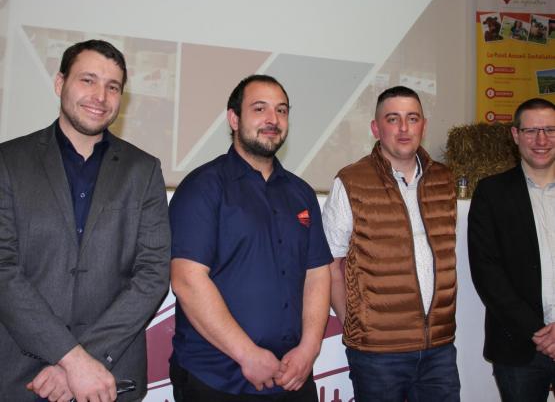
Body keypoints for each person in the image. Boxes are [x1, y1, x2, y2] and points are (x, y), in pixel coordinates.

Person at [0, 39, 170, 402]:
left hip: (110, 374)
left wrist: (84, 360)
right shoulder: (8, 162)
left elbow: (153, 274)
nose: (100, 96)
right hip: (22, 375)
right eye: (88, 80)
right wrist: (71, 358)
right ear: (60, 83)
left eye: (113, 87)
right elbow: (3, 269)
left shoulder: (144, 171)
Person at [169, 74, 332, 401]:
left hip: (292, 378)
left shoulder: (301, 193)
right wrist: (247, 354)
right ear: (234, 118)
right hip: (217, 379)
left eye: (282, 111)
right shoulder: (203, 187)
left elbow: (317, 274)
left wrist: (309, 349)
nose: (273, 120)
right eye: (260, 109)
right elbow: (187, 280)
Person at [322, 85, 460, 402]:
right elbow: (329, 264)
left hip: (439, 350)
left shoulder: (444, 180)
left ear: (423, 125)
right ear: (376, 127)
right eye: (393, 119)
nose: (403, 128)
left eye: (412, 118)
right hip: (378, 355)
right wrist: (352, 326)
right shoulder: (351, 181)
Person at [468, 98, 555, 401]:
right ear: (515, 135)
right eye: (531, 131)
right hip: (518, 348)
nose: (541, 140)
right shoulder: (491, 193)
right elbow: (487, 271)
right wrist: (540, 333)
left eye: (549, 130)